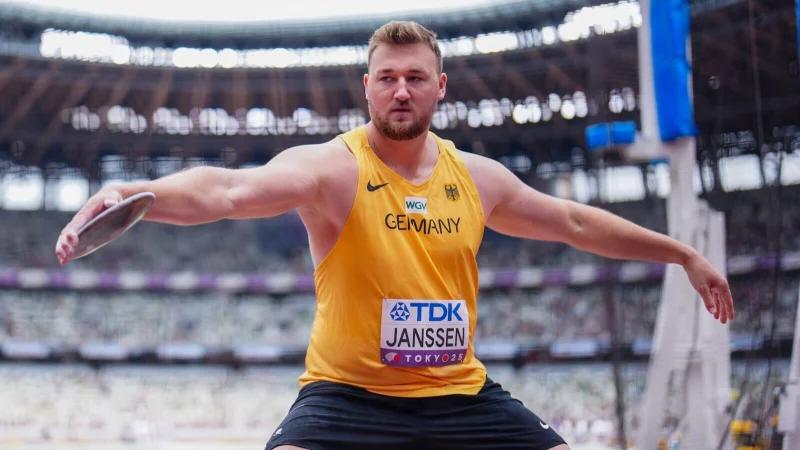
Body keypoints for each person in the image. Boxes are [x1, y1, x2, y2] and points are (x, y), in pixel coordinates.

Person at [55, 20, 734, 450]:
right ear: (367, 89)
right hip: (345, 400)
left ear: (440, 88)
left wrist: (682, 253)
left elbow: (577, 222)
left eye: (414, 78)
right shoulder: (333, 169)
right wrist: (130, 195)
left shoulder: (479, 178)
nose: (400, 90)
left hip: (460, 396)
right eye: (387, 79)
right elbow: (229, 191)